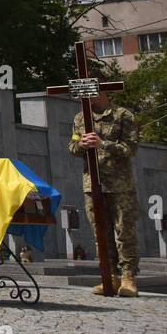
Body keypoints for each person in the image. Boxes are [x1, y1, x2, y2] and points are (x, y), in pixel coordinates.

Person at [69, 89, 141, 297]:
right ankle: (109, 276)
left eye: (90, 93)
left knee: (124, 230)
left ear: (102, 92)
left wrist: (103, 144)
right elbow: (72, 146)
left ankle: (128, 277)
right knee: (100, 232)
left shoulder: (122, 115)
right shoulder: (81, 118)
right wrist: (80, 145)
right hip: (93, 183)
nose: (86, 98)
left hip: (120, 185)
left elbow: (131, 149)